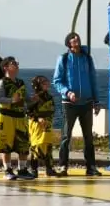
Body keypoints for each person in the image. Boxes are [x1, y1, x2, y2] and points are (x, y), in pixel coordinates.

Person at [53, 32, 100, 176]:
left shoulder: (87, 58)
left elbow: (93, 79)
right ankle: (62, 165)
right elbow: (57, 80)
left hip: (86, 103)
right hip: (69, 103)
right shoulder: (64, 59)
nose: (76, 39)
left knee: (88, 136)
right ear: (69, 43)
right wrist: (68, 92)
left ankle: (91, 167)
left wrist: (96, 100)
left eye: (77, 37)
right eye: (72, 38)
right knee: (66, 135)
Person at [0, 58, 32, 180]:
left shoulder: (20, 83)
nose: (16, 65)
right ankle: (7, 170)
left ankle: (22, 169)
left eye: (17, 63)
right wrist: (12, 100)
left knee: (23, 144)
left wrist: (32, 100)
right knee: (6, 144)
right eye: (13, 63)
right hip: (6, 117)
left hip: (20, 117)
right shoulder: (2, 83)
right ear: (5, 67)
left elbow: (25, 98)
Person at [28, 75, 59, 177]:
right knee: (36, 147)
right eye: (43, 83)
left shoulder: (49, 97)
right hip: (37, 125)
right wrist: (38, 118)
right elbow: (28, 112)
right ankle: (34, 170)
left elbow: (52, 109)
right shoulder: (35, 98)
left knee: (48, 147)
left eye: (47, 82)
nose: (47, 84)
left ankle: (49, 169)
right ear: (38, 85)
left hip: (47, 125)